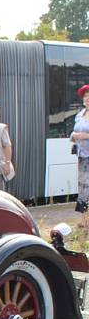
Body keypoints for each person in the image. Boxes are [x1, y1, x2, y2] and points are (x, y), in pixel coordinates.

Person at [69, 83, 89, 224]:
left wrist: (85, 136)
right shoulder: (79, 115)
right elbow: (73, 133)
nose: (87, 99)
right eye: (85, 96)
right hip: (82, 156)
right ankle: (83, 219)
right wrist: (74, 136)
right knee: (83, 186)